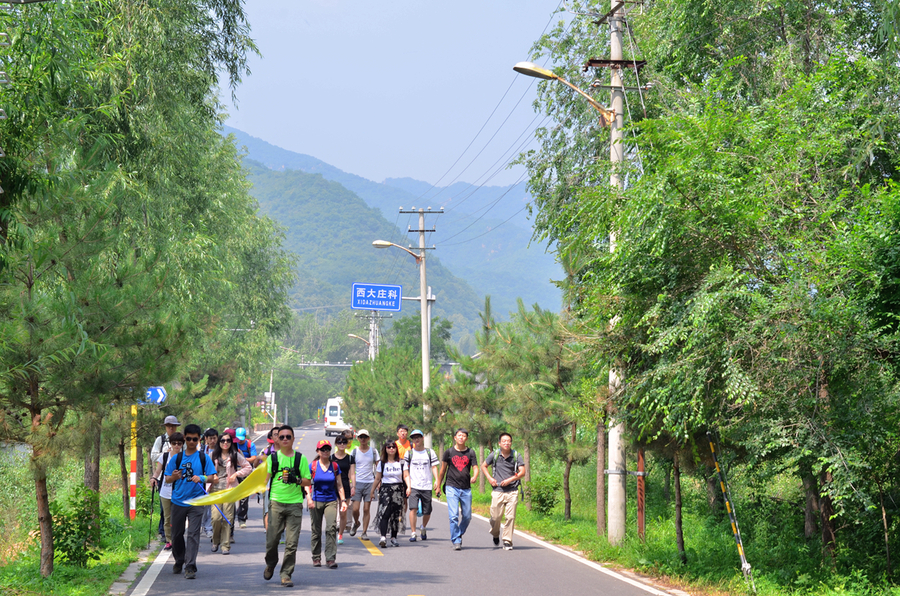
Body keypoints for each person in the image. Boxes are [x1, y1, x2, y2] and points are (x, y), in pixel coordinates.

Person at [164, 424, 218, 579]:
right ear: (185, 438)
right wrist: (174, 477)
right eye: (189, 439)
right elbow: (167, 478)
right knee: (176, 534)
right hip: (178, 501)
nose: (192, 442)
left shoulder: (203, 457)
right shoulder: (177, 458)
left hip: (196, 502)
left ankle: (190, 566)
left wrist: (201, 478)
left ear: (199, 439)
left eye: (195, 439)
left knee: (193, 534)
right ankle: (179, 559)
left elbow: (214, 478)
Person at [264, 425, 311, 588]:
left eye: (288, 437)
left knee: (291, 543)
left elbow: (308, 481)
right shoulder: (273, 458)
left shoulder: (300, 459)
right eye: (282, 437)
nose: (285, 439)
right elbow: (264, 479)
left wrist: (296, 479)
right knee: (272, 541)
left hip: (295, 504)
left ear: (293, 439)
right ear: (278, 438)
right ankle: (271, 563)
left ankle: (286, 574)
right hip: (276, 502)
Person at [480, 431, 526, 551]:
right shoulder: (494, 454)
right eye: (504, 441)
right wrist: (490, 478)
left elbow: (522, 472)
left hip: (512, 490)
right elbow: (483, 466)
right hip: (498, 490)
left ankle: (507, 540)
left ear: (511, 443)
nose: (506, 443)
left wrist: (511, 479)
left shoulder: (516, 455)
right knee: (495, 517)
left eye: (509, 441)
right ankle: (495, 533)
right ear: (499, 443)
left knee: (510, 517)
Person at [209, 431, 252, 554]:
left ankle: (225, 545)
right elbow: (205, 469)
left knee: (228, 518)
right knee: (216, 518)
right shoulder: (212, 455)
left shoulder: (235, 455)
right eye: (223, 440)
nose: (225, 443)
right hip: (215, 490)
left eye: (228, 440)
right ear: (219, 442)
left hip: (229, 489)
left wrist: (236, 474)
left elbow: (248, 467)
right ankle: (215, 540)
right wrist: (212, 476)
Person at [308, 439, 348, 568]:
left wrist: (343, 501)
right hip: (316, 500)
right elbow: (307, 484)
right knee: (316, 530)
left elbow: (340, 485)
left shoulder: (334, 466)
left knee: (331, 528)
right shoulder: (313, 466)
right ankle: (316, 557)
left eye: (327, 449)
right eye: (322, 449)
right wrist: (309, 498)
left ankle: (330, 558)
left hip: (331, 500)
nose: (325, 451)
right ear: (318, 451)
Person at [438, 428, 479, 550]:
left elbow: (475, 467)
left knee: (467, 516)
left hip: (466, 488)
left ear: (466, 438)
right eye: (459, 435)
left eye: (464, 436)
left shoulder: (471, 452)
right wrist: (438, 485)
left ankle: (458, 533)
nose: (461, 437)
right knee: (454, 516)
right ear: (455, 438)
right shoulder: (449, 452)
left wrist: (475, 476)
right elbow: (443, 470)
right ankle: (456, 540)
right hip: (451, 487)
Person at [404, 429, 439, 542]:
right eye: (414, 437)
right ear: (412, 440)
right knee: (413, 508)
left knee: (427, 510)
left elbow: (434, 467)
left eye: (418, 437)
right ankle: (413, 533)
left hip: (427, 485)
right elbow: (406, 471)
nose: (416, 439)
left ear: (423, 438)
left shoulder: (429, 452)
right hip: (414, 485)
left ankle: (423, 527)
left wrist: (437, 481)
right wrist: (408, 486)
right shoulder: (409, 453)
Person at [150, 415, 180, 540]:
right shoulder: (160, 440)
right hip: (163, 478)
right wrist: (166, 453)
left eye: (173, 426)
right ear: (166, 427)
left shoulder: (180, 440)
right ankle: (164, 533)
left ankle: (175, 533)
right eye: (169, 426)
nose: (171, 428)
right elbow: (153, 456)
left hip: (179, 479)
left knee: (176, 509)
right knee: (164, 508)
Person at [373, 440, 407, 548]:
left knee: (396, 515)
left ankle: (393, 537)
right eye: (389, 447)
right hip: (385, 489)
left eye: (393, 447)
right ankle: (383, 537)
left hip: (398, 489)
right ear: (385, 449)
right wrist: (371, 491)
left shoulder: (401, 462)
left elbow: (406, 476)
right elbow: (378, 478)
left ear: (396, 449)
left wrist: (409, 487)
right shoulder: (382, 463)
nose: (391, 449)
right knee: (385, 513)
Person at [349, 429, 380, 541]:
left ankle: (364, 532)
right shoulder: (354, 452)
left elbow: (378, 467)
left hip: (370, 483)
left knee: (366, 509)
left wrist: (378, 481)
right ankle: (356, 523)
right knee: (355, 509)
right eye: (361, 437)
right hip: (357, 483)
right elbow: (351, 469)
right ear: (358, 438)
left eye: (365, 437)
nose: (363, 439)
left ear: (368, 438)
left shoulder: (373, 451)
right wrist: (351, 483)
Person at [331, 435, 355, 544]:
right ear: (336, 444)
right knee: (331, 511)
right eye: (339, 442)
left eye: (344, 442)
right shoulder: (331, 458)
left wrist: (353, 486)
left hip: (345, 486)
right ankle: (331, 532)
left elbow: (352, 474)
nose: (342, 444)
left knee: (343, 512)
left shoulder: (350, 458)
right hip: (332, 486)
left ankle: (340, 534)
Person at [233, 427, 258, 528]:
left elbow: (254, 458)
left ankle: (242, 519)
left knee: (244, 497)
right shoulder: (233, 444)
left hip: (245, 472)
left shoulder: (250, 444)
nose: (240, 440)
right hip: (234, 472)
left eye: (241, 438)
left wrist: (243, 460)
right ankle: (230, 517)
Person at [258, 426, 281, 531]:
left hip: (282, 484)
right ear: (271, 436)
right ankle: (269, 533)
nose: (278, 437)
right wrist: (259, 458)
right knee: (268, 509)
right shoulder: (266, 451)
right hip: (268, 484)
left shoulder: (287, 451)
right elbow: (256, 466)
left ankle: (280, 532)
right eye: (275, 434)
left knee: (281, 509)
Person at [200, 428, 219, 538]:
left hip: (215, 481)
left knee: (212, 506)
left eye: (214, 438)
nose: (212, 441)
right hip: (203, 480)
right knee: (204, 506)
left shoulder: (219, 450)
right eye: (210, 438)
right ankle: (203, 526)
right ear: (206, 439)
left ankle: (208, 528)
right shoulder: (202, 450)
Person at [395, 424, 411, 531]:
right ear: (397, 433)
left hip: (407, 474)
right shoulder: (394, 445)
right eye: (401, 431)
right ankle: (395, 518)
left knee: (404, 498)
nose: (403, 433)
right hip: (395, 474)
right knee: (396, 498)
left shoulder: (411, 445)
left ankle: (401, 518)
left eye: (405, 431)